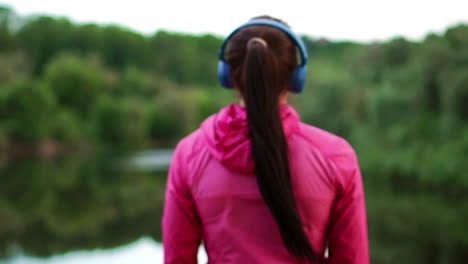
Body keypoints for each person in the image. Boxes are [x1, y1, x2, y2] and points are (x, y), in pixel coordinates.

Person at [162, 16, 369, 264]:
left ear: (227, 73)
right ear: (296, 76)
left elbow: (178, 258)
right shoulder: (335, 155)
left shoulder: (190, 153)